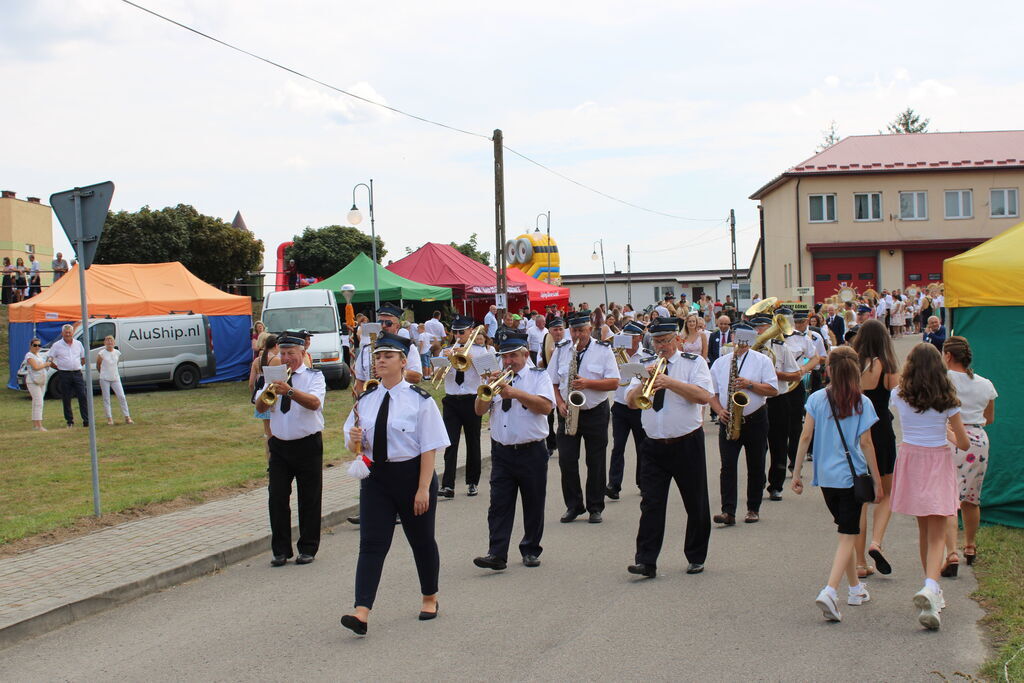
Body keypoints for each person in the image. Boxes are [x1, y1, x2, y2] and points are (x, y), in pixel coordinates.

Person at [340, 333, 449, 635]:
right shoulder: (366, 400)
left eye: (388, 356)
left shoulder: (419, 400)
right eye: (377, 356)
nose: (381, 361)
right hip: (376, 479)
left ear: (403, 362)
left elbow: (429, 447)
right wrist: (354, 441)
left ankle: (430, 596)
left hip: (412, 476)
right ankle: (361, 610)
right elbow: (353, 444)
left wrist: (423, 488)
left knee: (421, 541)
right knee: (371, 544)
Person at [791, 346, 882, 623]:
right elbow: (866, 443)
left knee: (846, 531)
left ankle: (855, 590)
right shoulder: (862, 402)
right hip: (851, 476)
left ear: (828, 370)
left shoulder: (817, 398)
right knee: (847, 535)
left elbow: (805, 436)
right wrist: (877, 480)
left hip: (826, 477)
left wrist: (796, 473)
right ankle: (830, 590)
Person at [889, 343, 970, 630]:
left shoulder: (898, 394)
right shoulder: (948, 399)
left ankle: (931, 587)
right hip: (937, 461)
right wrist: (945, 429)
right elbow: (963, 443)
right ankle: (931, 586)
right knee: (938, 534)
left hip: (911, 458)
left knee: (924, 531)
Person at [625, 318, 714, 577]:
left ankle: (696, 556)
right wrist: (645, 382)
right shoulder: (643, 365)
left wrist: (669, 382)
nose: (661, 345)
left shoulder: (694, 363)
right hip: (653, 445)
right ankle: (646, 561)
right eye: (657, 341)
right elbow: (631, 402)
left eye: (665, 340)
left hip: (687, 442)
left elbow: (703, 396)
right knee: (651, 504)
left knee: (695, 502)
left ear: (677, 339)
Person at [472, 332, 555, 571]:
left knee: (533, 502)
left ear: (525, 354)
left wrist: (515, 393)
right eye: (504, 356)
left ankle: (530, 549)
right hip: (502, 452)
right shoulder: (495, 378)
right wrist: (486, 389)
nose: (508, 361)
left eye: (513, 356)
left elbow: (546, 407)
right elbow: (479, 411)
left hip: (532, 451)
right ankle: (496, 553)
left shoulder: (538, 377)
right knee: (498, 505)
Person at [256, 333, 327, 568]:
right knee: (276, 497)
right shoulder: (272, 379)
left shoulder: (314, 376)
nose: (286, 359)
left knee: (309, 498)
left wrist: (288, 391)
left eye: (291, 354)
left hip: (307, 444)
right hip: (280, 446)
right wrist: (269, 394)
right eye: (283, 354)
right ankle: (280, 550)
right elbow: (259, 408)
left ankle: (307, 548)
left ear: (302, 354)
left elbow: (314, 403)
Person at [549, 313, 620, 524]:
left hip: (595, 411)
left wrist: (588, 384)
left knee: (595, 462)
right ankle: (574, 505)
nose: (577, 334)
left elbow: (614, 382)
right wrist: (560, 403)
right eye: (574, 331)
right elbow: (551, 382)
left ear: (589, 329)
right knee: (567, 461)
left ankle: (595, 506)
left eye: (581, 330)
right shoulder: (562, 350)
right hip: (567, 412)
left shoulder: (603, 350)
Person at [709, 322, 779, 525]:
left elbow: (773, 390)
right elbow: (711, 394)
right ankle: (728, 511)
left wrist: (750, 384)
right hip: (728, 418)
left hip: (755, 418)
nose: (740, 342)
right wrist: (719, 410)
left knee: (756, 465)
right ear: (732, 338)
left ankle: (753, 508)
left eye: (745, 337)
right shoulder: (721, 363)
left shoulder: (762, 360)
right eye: (737, 336)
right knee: (727, 466)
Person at [942, 336, 997, 573]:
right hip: (978, 441)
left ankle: (951, 552)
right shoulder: (986, 384)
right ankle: (970, 545)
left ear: (948, 356)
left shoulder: (942, 380)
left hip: (950, 436)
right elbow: (990, 418)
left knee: (947, 498)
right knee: (971, 498)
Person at [850, 319, 900, 579]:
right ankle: (876, 542)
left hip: (856, 430)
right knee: (888, 492)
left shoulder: (853, 364)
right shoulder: (887, 364)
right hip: (881, 428)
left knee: (861, 498)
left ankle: (859, 562)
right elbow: (896, 388)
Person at [438, 316, 488, 498]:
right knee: (450, 442)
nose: (458, 335)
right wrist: (443, 361)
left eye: (462, 332)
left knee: (472, 442)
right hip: (451, 400)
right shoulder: (447, 350)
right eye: (455, 332)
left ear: (471, 332)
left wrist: (471, 358)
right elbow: (437, 377)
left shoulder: (481, 351)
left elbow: (490, 373)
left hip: (472, 399)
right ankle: (448, 485)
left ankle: (472, 482)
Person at [752, 313, 801, 496]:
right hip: (756, 401)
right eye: (756, 328)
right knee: (757, 446)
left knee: (779, 444)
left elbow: (796, 375)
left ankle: (776, 486)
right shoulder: (748, 348)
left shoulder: (781, 347)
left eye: (763, 327)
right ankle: (757, 484)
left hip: (777, 400)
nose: (759, 331)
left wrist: (775, 374)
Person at [606, 321, 649, 499]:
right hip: (620, 407)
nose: (629, 340)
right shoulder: (614, 355)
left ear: (640, 338)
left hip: (638, 407)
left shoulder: (647, 356)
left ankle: (643, 482)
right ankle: (614, 485)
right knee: (618, 447)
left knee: (642, 447)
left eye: (632, 337)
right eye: (626, 337)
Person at [784, 310, 823, 475]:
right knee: (776, 428)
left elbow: (816, 358)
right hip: (775, 386)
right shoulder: (770, 339)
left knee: (794, 425)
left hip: (795, 385)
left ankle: (794, 462)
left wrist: (804, 368)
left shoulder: (801, 338)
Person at [352, 305, 423, 393]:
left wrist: (394, 372)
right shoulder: (367, 349)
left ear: (397, 326)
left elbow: (417, 377)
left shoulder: (408, 347)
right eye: (380, 322)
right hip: (372, 399)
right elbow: (360, 381)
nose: (384, 326)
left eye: (388, 323)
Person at [48, 324, 90, 428]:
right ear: (62, 333)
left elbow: (83, 358)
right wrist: (58, 368)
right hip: (64, 374)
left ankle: (86, 420)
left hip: (77, 373)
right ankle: (69, 421)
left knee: (82, 396)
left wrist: (78, 365)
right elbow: (49, 359)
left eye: (69, 332)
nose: (68, 334)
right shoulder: (57, 345)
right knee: (66, 398)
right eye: (66, 332)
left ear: (72, 333)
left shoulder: (78, 344)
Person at [543, 317, 570, 455]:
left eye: (561, 329)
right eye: (555, 330)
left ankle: (563, 445)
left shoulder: (568, 345)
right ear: (550, 331)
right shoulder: (546, 343)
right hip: (546, 384)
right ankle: (550, 445)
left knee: (561, 418)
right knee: (548, 417)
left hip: (561, 386)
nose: (558, 332)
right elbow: (539, 364)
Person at [96, 335, 133, 425]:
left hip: (115, 377)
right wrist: (103, 373)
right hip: (104, 378)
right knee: (106, 398)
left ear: (114, 343)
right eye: (107, 341)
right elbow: (98, 365)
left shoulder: (117, 353)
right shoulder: (101, 353)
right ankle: (109, 418)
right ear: (105, 343)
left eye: (111, 341)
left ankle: (127, 417)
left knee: (122, 397)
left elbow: (116, 363)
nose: (109, 343)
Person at [250, 334, 279, 448]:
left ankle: (269, 460)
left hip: (260, 397)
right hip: (271, 397)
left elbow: (251, 383)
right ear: (276, 346)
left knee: (268, 434)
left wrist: (254, 396)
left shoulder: (257, 360)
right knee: (275, 433)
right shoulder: (276, 360)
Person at [23, 338, 49, 431]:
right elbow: (36, 367)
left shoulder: (38, 355)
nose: (37, 347)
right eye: (35, 345)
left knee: (37, 402)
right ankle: (39, 425)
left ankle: (36, 424)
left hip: (41, 380)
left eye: (39, 345)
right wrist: (46, 364)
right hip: (33, 381)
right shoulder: (29, 355)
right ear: (31, 346)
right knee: (39, 402)